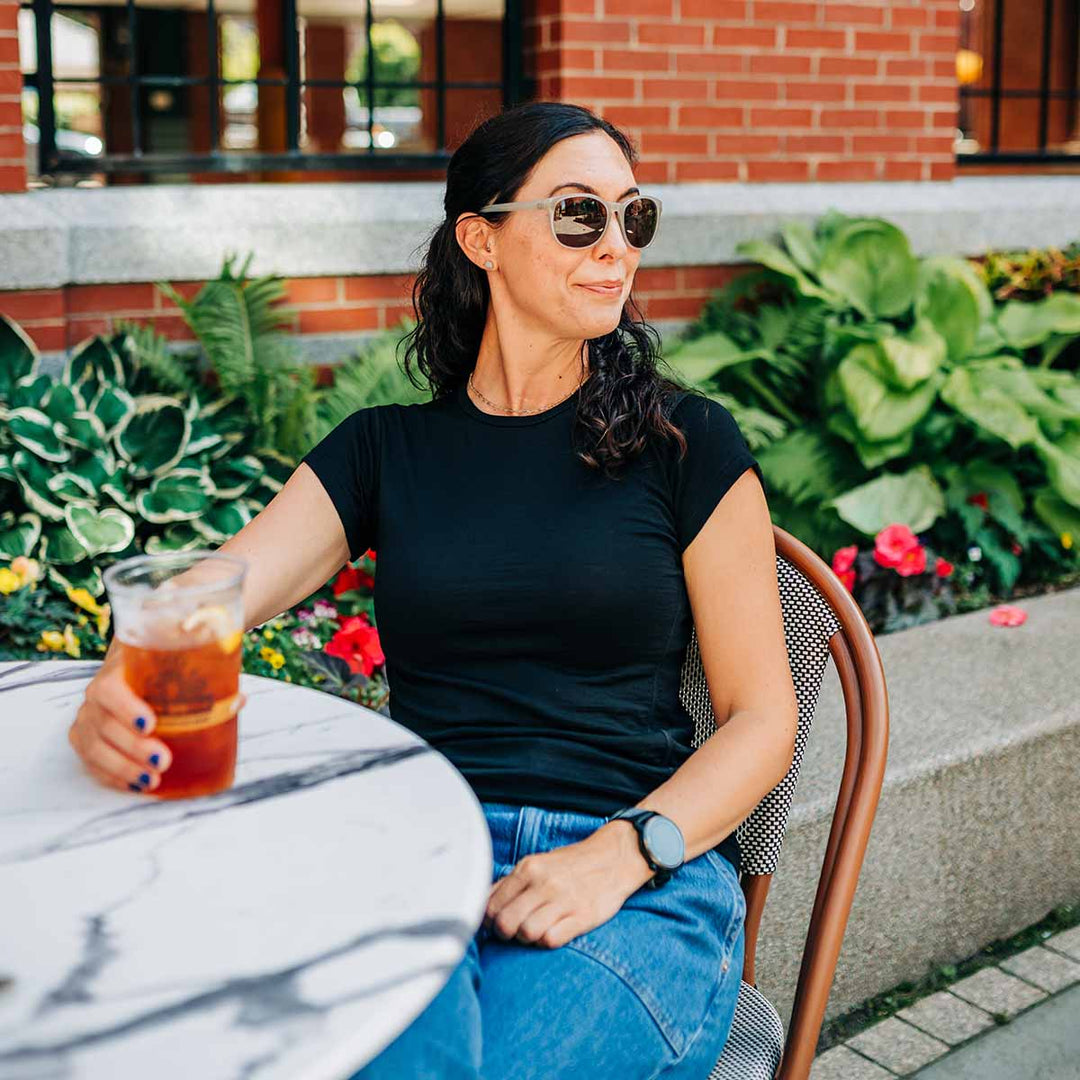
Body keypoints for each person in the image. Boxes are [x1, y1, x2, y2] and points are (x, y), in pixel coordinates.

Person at [67, 101, 799, 1079]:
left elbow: (762, 719)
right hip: (413, 852)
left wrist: (621, 855)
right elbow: (216, 591)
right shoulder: (384, 450)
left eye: (635, 218)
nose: (617, 248)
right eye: (581, 215)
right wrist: (119, 678)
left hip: (633, 881)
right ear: (480, 237)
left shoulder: (686, 444)